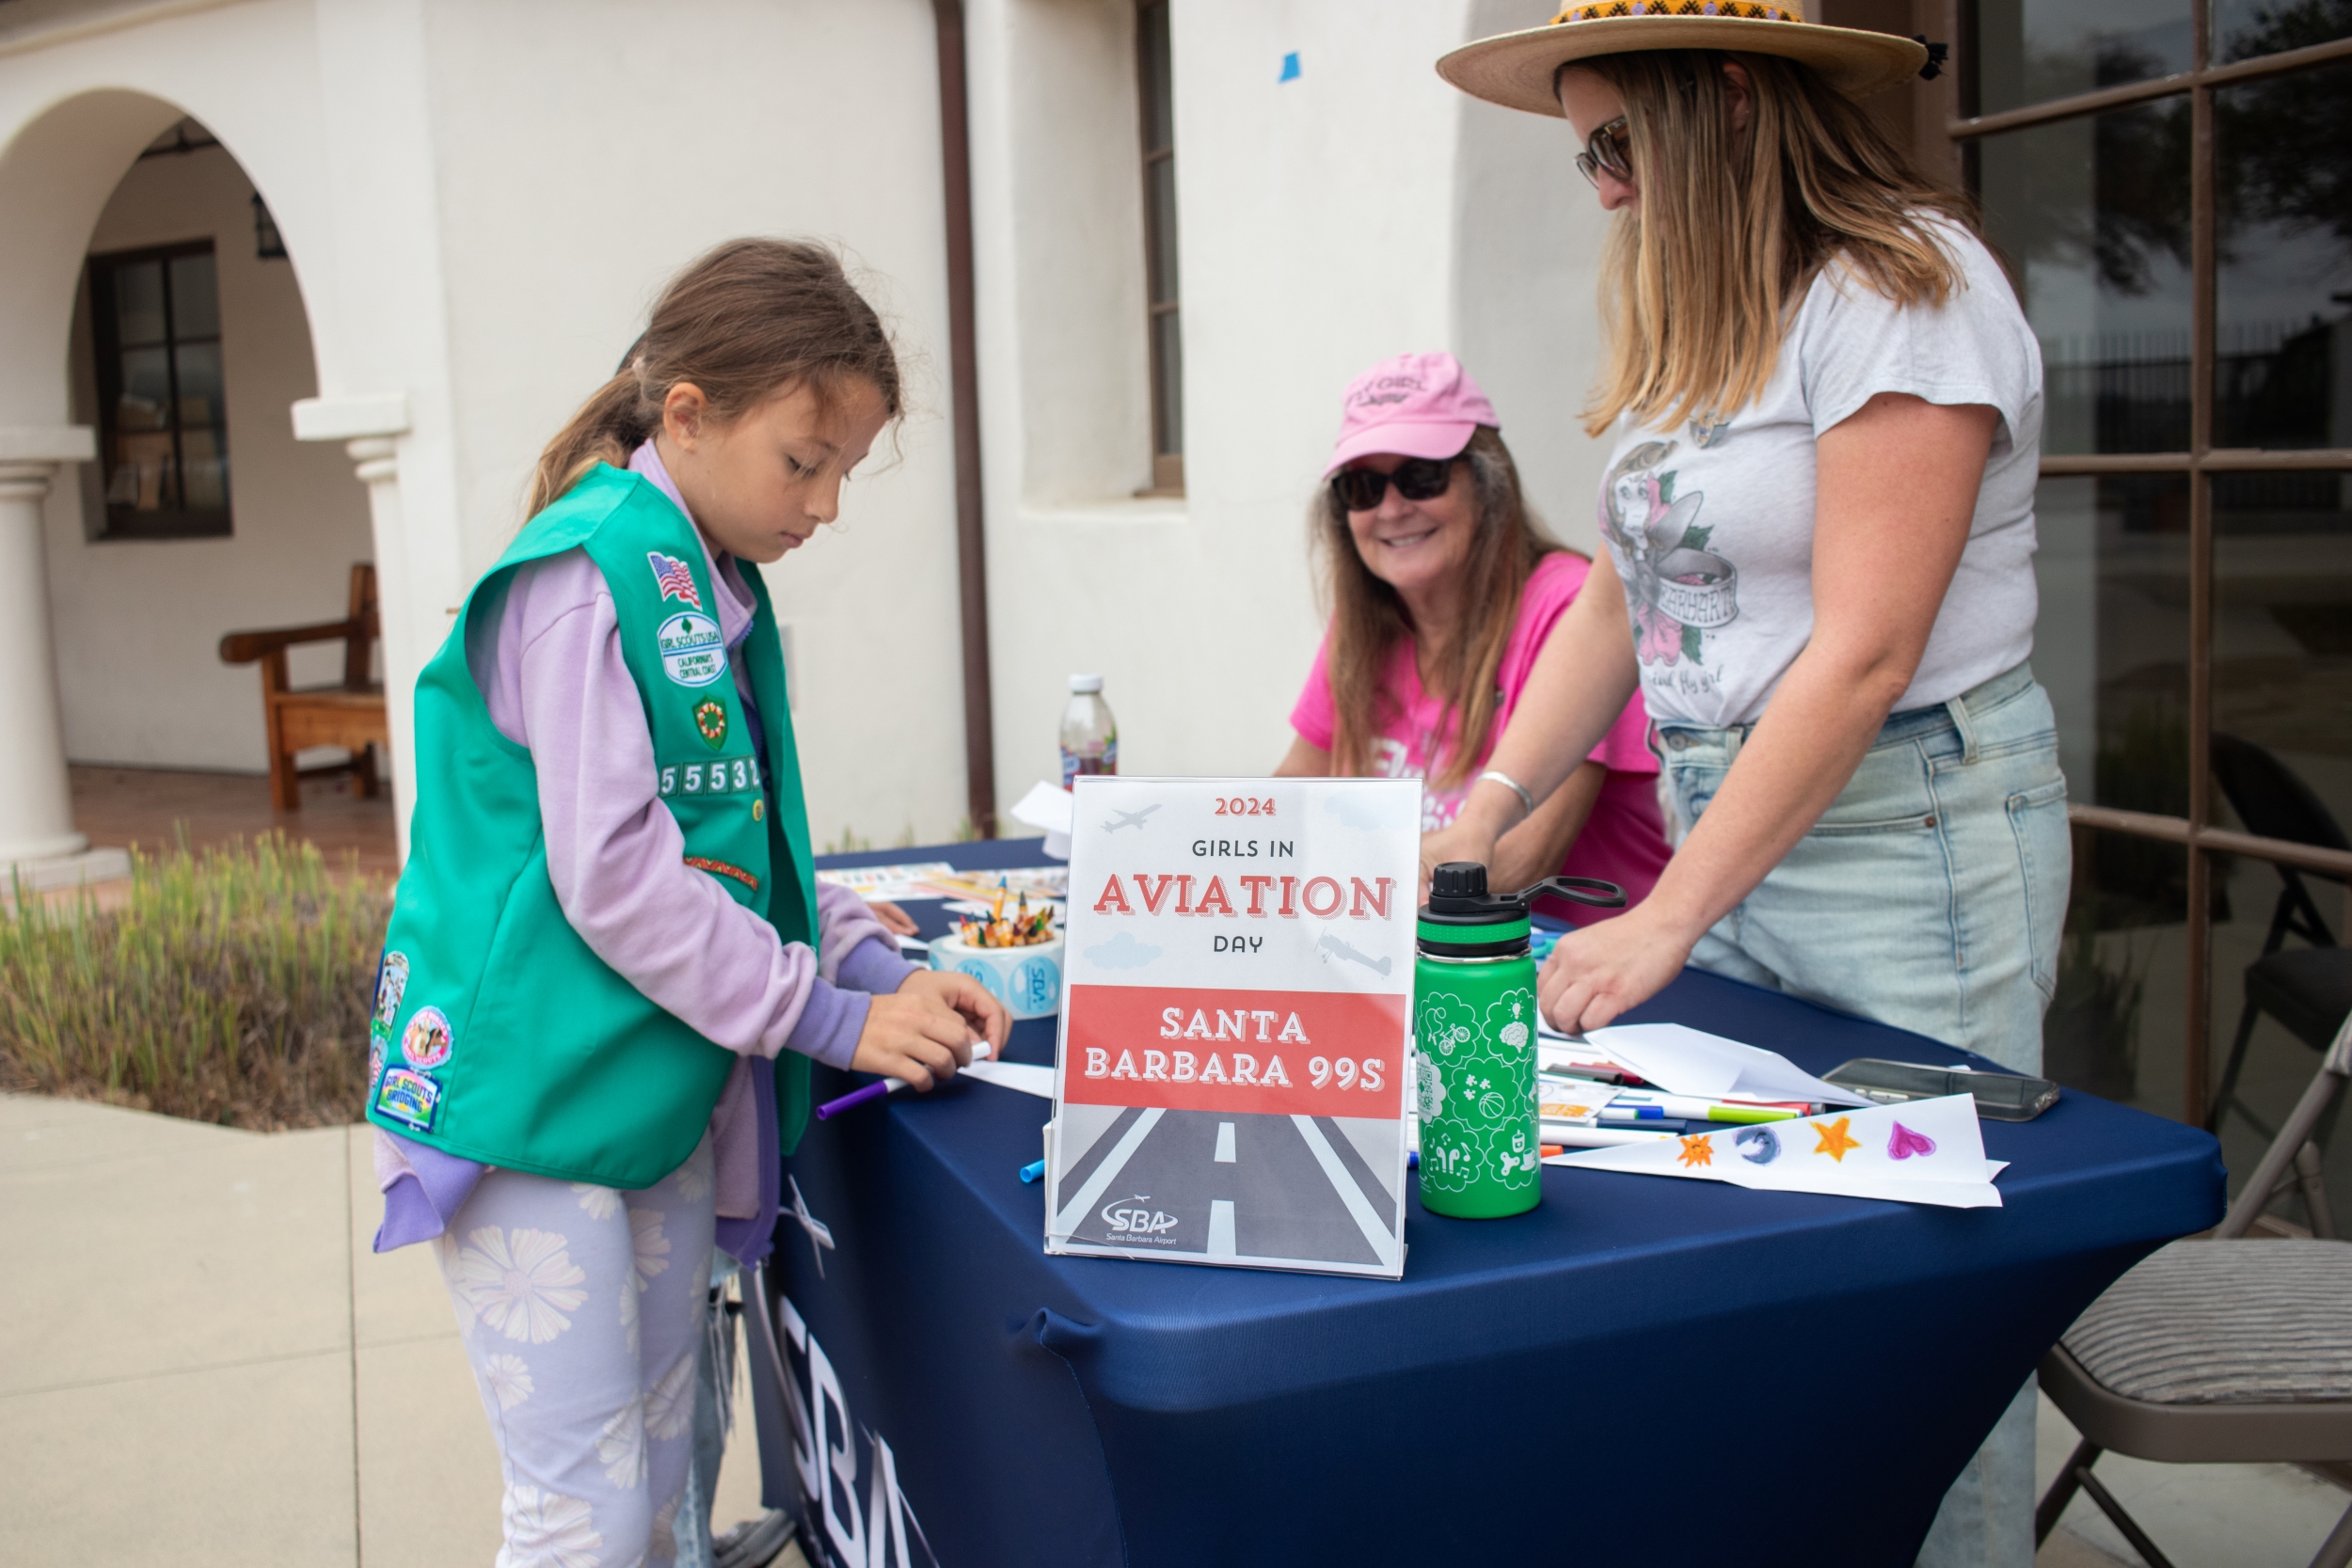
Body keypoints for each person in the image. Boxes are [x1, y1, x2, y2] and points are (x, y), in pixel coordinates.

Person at [1431, 12, 2064, 1568]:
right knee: (1759, 1276)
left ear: (1722, 103)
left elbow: (1864, 650)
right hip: (1748, 836)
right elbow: (1614, 601)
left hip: (1902, 837)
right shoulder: (1698, 312)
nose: (1595, 187)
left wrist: (1666, 908)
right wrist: (1495, 797)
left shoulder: (1905, 291)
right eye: (1581, 153)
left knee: (1924, 1309)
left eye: (1613, 145)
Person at [362, 238, 1009, 1568]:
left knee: (663, 1469)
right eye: (804, 459)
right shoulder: (583, 576)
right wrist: (823, 1013)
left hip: (639, 1096)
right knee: (584, 1510)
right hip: (530, 1106)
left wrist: (873, 970)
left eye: (843, 469)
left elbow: (744, 848)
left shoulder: (707, 583)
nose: (826, 504)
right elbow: (618, 878)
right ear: (688, 413)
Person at [1277, 351, 1667, 915]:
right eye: (1362, 487)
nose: (1391, 509)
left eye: (1421, 477)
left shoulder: (1567, 608)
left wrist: (1330, 883)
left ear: (1488, 483)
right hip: (1407, 952)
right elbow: (1293, 790)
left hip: (1572, 976)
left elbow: (1517, 862)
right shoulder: (1364, 628)